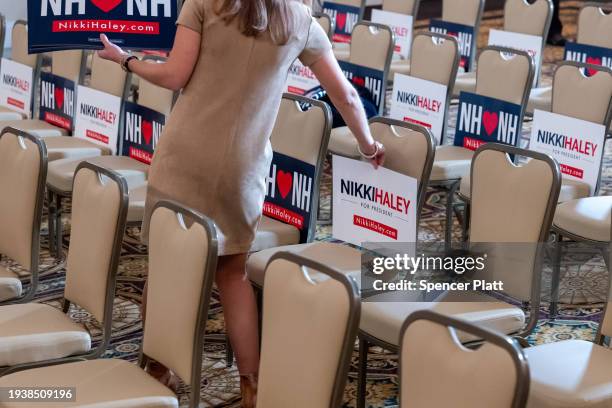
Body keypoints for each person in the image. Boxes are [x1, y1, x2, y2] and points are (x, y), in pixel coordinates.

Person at [97, 0, 385, 406]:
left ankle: (159, 369)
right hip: (243, 169)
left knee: (166, 267)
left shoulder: (203, 4)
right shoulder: (302, 23)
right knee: (233, 276)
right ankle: (252, 385)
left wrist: (126, 61)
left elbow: (174, 74)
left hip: (185, 156)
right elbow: (347, 98)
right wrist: (369, 145)